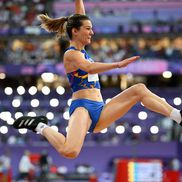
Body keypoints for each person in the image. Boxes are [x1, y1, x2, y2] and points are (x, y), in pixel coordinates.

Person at [13, 0, 182, 159]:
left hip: (100, 109)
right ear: (75, 31)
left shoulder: (81, 46)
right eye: (88, 28)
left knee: (139, 89)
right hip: (82, 109)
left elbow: (80, 14)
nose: (92, 32)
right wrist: (117, 65)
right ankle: (40, 126)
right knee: (70, 151)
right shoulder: (71, 54)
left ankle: (178, 117)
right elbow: (89, 68)